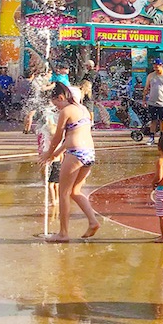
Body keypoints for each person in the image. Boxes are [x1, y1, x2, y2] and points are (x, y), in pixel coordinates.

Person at [38, 82, 100, 242]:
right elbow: (71, 137)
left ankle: (63, 233)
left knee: (63, 193)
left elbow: (58, 137)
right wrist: (55, 154)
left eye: (56, 104)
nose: (57, 108)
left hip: (76, 153)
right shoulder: (82, 109)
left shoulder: (66, 110)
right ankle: (93, 221)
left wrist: (48, 153)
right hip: (89, 153)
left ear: (60, 97)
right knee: (75, 191)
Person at [143, 59, 163, 145]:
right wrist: (144, 99)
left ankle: (162, 137)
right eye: (154, 67)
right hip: (152, 101)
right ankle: (152, 137)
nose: (155, 68)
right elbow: (146, 88)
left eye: (157, 67)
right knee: (153, 120)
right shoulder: (150, 76)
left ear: (161, 66)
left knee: (162, 120)